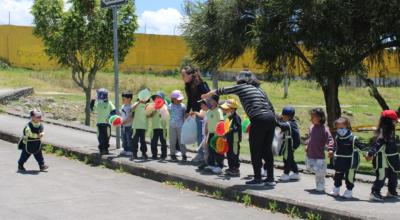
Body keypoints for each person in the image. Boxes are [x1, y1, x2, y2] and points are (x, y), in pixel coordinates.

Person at [202, 71, 276, 186]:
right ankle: (270, 179)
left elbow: (225, 90)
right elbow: (270, 106)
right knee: (267, 150)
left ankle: (257, 179)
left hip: (258, 118)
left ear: (241, 80)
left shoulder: (242, 87)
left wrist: (209, 94)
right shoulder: (260, 90)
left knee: (255, 150)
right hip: (270, 118)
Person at [328, 117, 367, 199]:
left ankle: (349, 191)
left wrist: (367, 154)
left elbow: (362, 147)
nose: (339, 130)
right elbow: (336, 147)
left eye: (342, 128)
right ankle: (336, 189)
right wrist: (332, 151)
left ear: (347, 126)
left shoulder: (353, 138)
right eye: (338, 128)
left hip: (350, 162)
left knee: (349, 177)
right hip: (339, 160)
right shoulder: (337, 137)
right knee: (337, 175)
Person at [366, 110, 400, 201]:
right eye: (394, 121)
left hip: (391, 160)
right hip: (382, 160)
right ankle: (375, 193)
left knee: (393, 175)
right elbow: (377, 145)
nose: (396, 123)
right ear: (389, 121)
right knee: (381, 176)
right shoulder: (383, 132)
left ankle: (391, 192)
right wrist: (370, 154)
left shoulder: (391, 131)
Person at [305, 108, 334, 192]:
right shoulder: (311, 127)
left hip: (319, 156)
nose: (310, 119)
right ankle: (321, 171)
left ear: (320, 118)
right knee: (309, 167)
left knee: (320, 173)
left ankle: (320, 185)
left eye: (312, 117)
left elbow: (330, 139)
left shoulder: (324, 129)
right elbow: (309, 138)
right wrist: (306, 144)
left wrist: (330, 149)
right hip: (310, 154)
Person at [182, 66, 210, 147]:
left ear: (190, 75)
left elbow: (208, 96)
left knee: (202, 135)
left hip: (203, 113)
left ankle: (202, 155)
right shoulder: (188, 85)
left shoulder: (200, 84)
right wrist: (187, 111)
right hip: (196, 113)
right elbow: (190, 99)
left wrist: (204, 109)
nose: (182, 77)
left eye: (184, 75)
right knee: (199, 134)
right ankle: (201, 155)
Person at [276, 106, 301, 181]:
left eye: (283, 116)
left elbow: (282, 125)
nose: (282, 117)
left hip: (290, 144)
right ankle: (296, 172)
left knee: (286, 158)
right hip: (289, 144)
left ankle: (286, 173)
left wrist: (274, 121)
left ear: (287, 116)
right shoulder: (291, 122)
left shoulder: (289, 124)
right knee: (290, 158)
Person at [90, 88, 116, 155]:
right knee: (100, 137)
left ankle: (106, 149)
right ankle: (101, 149)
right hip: (99, 124)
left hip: (107, 124)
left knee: (107, 137)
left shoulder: (109, 103)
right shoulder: (98, 103)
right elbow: (92, 109)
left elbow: (114, 111)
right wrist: (92, 100)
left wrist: (109, 117)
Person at [220, 99, 242, 176]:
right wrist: (225, 134)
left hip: (235, 139)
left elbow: (237, 127)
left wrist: (230, 129)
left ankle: (235, 168)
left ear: (232, 109)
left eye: (227, 108)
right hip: (229, 138)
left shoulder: (236, 117)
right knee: (229, 153)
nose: (225, 109)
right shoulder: (229, 117)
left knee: (234, 153)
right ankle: (231, 167)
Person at [204, 95, 224, 174]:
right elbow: (207, 122)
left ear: (215, 102)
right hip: (211, 133)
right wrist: (206, 132)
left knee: (218, 150)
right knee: (211, 150)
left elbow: (221, 121)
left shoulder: (218, 111)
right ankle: (211, 164)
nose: (209, 102)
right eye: (208, 100)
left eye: (210, 100)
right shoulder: (208, 111)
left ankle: (219, 166)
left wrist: (221, 133)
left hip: (217, 134)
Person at [132, 89, 151, 160]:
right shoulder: (136, 104)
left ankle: (144, 153)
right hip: (136, 126)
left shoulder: (148, 105)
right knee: (135, 141)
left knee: (143, 141)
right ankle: (134, 153)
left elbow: (149, 115)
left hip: (143, 126)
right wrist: (139, 102)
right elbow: (132, 108)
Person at [168, 90, 187, 161]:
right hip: (172, 126)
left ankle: (184, 154)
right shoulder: (169, 106)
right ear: (173, 99)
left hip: (181, 126)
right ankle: (172, 154)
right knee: (172, 140)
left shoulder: (183, 106)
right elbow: (167, 114)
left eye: (181, 99)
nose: (180, 100)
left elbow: (185, 114)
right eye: (178, 99)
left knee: (182, 140)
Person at [149, 92, 168, 160]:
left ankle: (164, 155)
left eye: (158, 97)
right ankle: (154, 154)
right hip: (154, 127)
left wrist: (161, 108)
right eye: (155, 98)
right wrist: (153, 110)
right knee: (153, 142)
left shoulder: (164, 106)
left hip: (163, 127)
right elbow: (148, 115)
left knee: (163, 142)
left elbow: (165, 116)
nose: (156, 99)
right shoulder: (152, 106)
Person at [190, 99, 210, 165]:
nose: (200, 106)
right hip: (204, 134)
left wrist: (195, 112)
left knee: (207, 149)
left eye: (202, 105)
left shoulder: (209, 112)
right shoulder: (205, 111)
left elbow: (202, 116)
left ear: (205, 105)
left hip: (207, 134)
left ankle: (207, 162)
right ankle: (205, 161)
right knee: (205, 149)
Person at [120, 91, 134, 156]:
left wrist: (124, 121)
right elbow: (121, 115)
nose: (122, 100)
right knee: (123, 138)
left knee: (129, 138)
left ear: (129, 99)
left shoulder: (131, 107)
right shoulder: (123, 106)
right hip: (123, 125)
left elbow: (130, 117)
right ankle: (125, 149)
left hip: (129, 125)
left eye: (124, 99)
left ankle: (130, 150)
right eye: (122, 99)